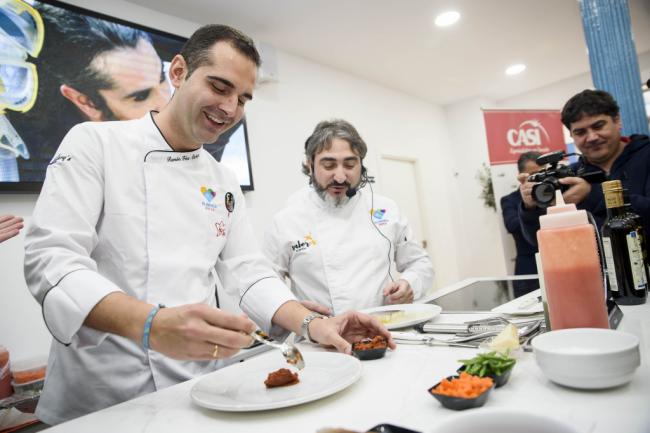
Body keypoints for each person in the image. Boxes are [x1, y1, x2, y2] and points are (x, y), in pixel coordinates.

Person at [23, 25, 393, 425]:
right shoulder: (95, 144)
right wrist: (150, 324)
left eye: (243, 98)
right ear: (179, 72)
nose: (231, 108)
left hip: (194, 393)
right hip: (100, 399)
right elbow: (52, 260)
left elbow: (249, 273)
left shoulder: (222, 179)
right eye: (219, 87)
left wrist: (315, 324)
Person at [262, 119, 434, 316]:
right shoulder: (286, 221)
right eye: (329, 165)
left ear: (361, 166)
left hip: (386, 331)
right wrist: (294, 314)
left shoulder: (386, 210)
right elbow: (267, 285)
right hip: (319, 340)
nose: (340, 177)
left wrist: (409, 283)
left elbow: (420, 263)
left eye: (350, 164)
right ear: (310, 165)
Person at [8, 3, 172, 181]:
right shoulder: (44, 166)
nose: (167, 104)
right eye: (141, 96)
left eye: (162, 77)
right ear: (86, 102)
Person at [518, 89, 650, 244]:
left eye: (598, 126)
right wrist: (530, 208)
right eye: (580, 132)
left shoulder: (646, 155)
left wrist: (592, 194)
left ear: (617, 120)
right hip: (596, 267)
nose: (592, 137)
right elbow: (540, 240)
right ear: (572, 135)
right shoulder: (569, 176)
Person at [500, 152, 541, 297]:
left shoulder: (555, 195)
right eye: (534, 175)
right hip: (528, 270)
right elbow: (512, 225)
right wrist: (528, 207)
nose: (539, 179)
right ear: (521, 175)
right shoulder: (510, 200)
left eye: (543, 173)